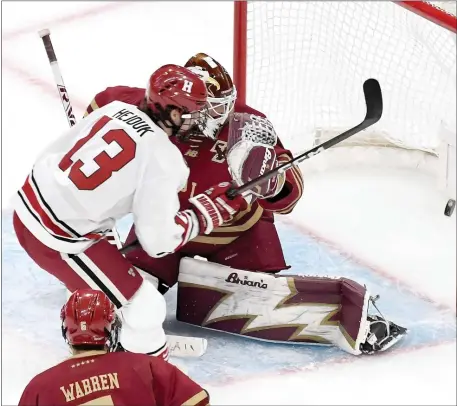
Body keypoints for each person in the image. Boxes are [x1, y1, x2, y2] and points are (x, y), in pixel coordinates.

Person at [83, 54, 407, 356]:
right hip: (166, 233)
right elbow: (104, 102)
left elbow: (291, 194)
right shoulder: (158, 114)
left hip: (237, 237)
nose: (220, 114)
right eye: (209, 107)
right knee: (124, 295)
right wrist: (88, 132)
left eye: (224, 104)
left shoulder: (250, 125)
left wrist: (274, 183)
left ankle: (339, 317)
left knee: (262, 297)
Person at [12, 64, 249, 360]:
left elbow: (50, 157)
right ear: (174, 114)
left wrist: (88, 215)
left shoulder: (113, 110)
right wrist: (204, 213)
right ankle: (147, 378)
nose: (199, 121)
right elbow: (158, 242)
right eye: (195, 112)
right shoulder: (164, 157)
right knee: (146, 307)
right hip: (56, 240)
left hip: (27, 206)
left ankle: (120, 325)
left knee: (122, 284)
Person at [19, 289, 210, 406]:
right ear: (113, 329)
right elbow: (197, 401)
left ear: (66, 330)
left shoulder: (39, 388)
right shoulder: (147, 367)